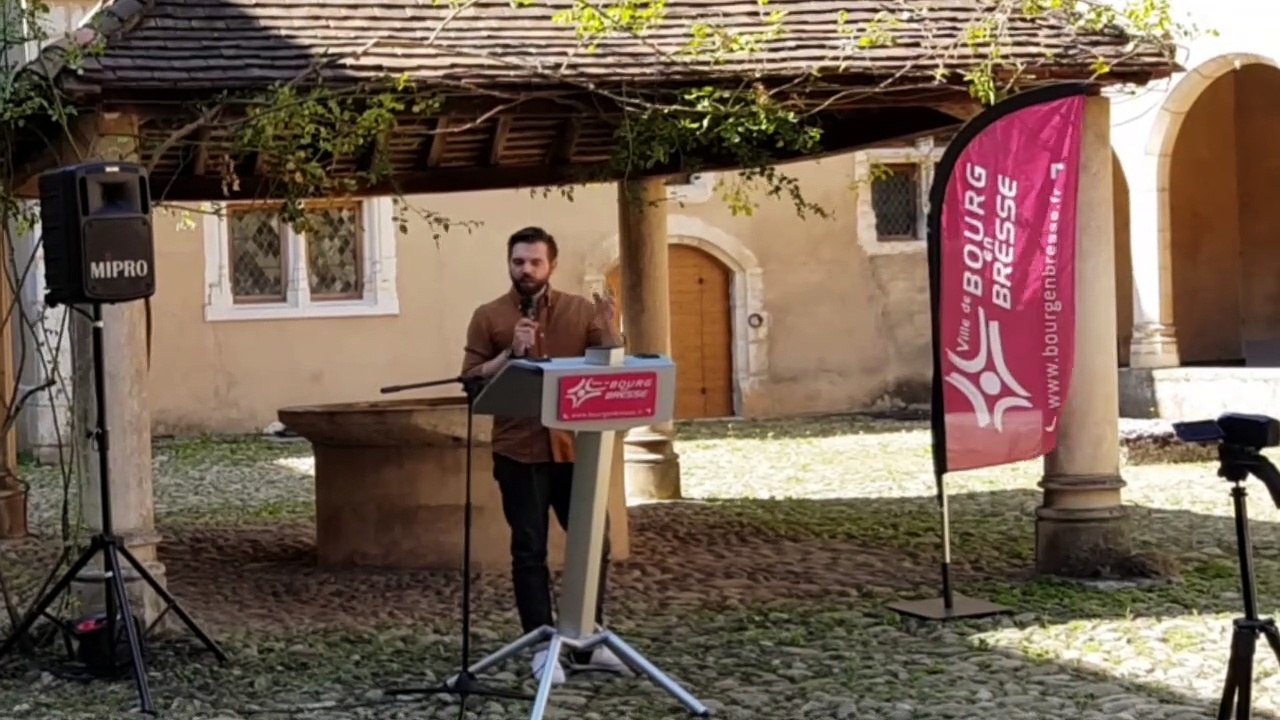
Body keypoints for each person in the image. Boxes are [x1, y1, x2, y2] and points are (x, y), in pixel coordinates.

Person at [461, 226, 629, 685]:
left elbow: (610, 364)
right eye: (518, 262)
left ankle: (585, 639)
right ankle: (541, 646)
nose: (526, 271)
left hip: (576, 448)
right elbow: (472, 381)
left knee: (595, 541)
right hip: (520, 450)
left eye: (535, 262)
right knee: (529, 548)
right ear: (509, 263)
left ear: (551, 265)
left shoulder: (580, 310)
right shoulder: (489, 316)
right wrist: (508, 355)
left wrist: (612, 325)